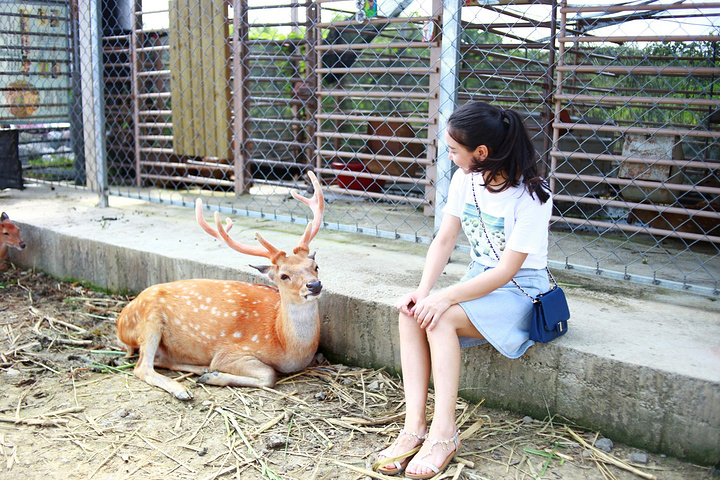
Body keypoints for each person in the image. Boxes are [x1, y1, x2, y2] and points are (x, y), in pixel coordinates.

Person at [373, 101, 553, 479]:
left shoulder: (533, 197)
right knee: (412, 314)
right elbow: (444, 240)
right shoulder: (464, 180)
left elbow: (506, 271)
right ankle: (413, 429)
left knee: (440, 319)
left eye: (454, 150)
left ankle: (444, 435)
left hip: (520, 290)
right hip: (477, 278)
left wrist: (446, 297)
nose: (449, 156)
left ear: (481, 153)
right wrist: (424, 291)